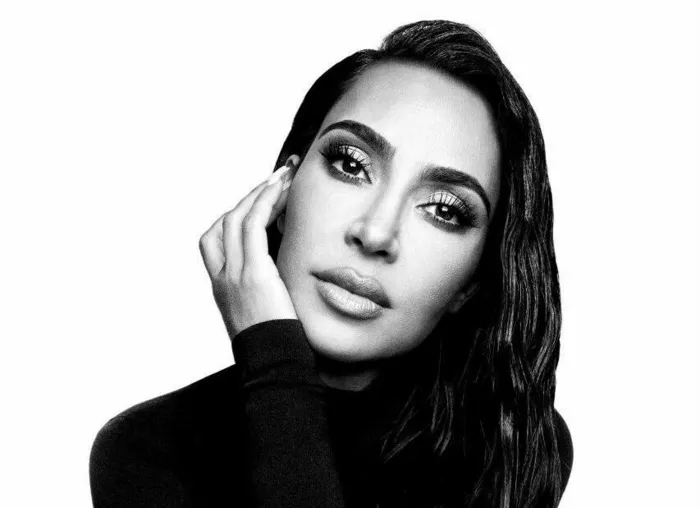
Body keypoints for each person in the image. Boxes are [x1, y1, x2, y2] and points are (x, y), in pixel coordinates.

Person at [89, 19, 574, 508]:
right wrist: (272, 358)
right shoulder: (150, 451)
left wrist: (274, 365)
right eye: (351, 164)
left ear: (472, 283)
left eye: (444, 210)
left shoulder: (515, 446)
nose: (376, 233)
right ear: (282, 191)